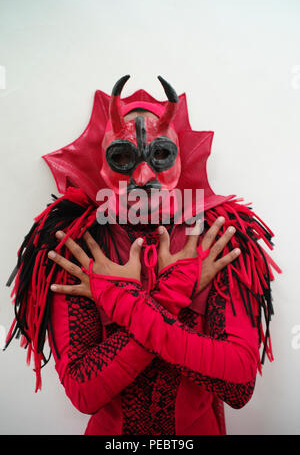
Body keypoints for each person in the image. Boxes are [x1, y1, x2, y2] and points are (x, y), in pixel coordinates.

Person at [5, 75, 281, 435]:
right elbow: (85, 392)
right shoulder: (78, 243)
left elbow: (237, 385)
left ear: (183, 159)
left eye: (160, 154)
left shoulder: (218, 237)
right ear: (100, 162)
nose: (143, 174)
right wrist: (174, 293)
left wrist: (118, 298)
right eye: (122, 156)